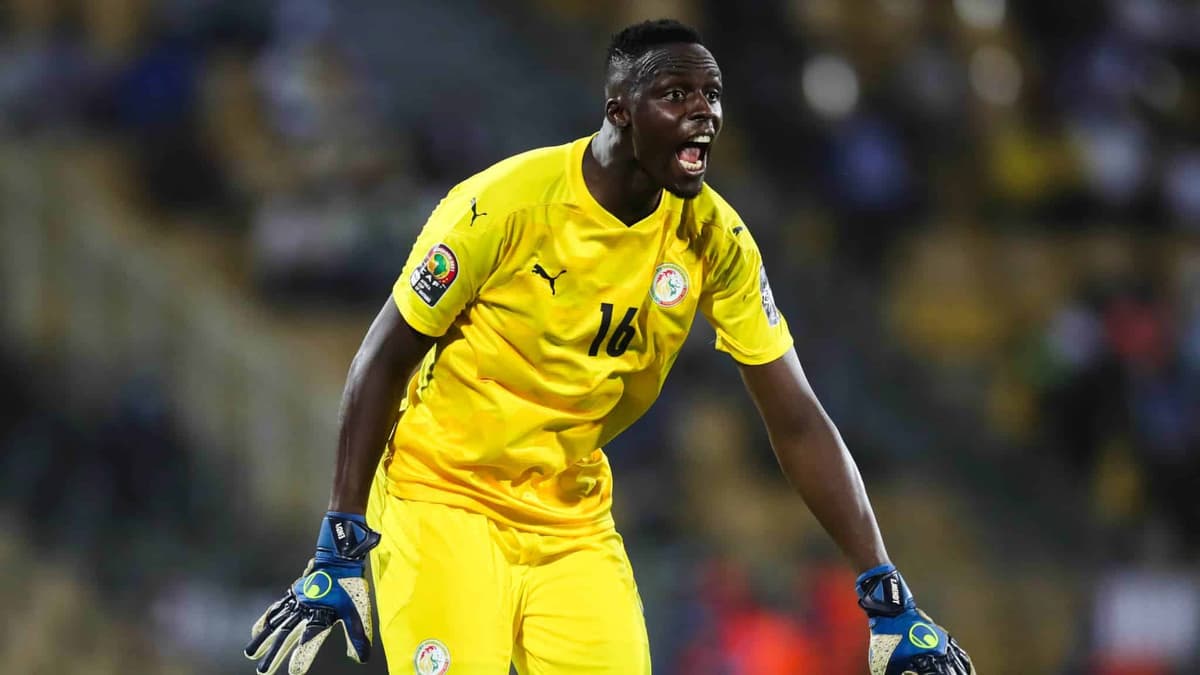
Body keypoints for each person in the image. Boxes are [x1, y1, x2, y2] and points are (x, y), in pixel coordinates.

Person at [244, 18, 975, 675]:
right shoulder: (503, 204)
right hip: (444, 500)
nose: (704, 114)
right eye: (676, 95)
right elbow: (384, 356)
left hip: (570, 520)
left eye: (712, 96)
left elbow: (797, 418)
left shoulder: (714, 240)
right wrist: (341, 533)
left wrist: (882, 584)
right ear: (620, 111)